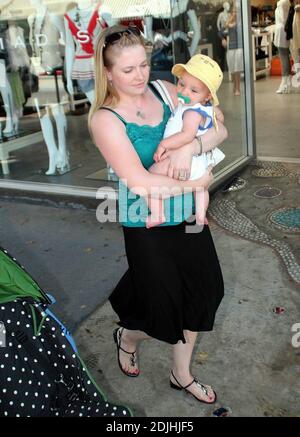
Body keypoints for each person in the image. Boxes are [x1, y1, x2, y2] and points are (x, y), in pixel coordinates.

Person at [89, 25, 227, 405]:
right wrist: (198, 181)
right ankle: (129, 336)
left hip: (187, 218)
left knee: (205, 293)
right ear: (108, 72)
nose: (140, 76)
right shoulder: (105, 120)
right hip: (145, 221)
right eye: (129, 69)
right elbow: (140, 182)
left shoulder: (166, 90)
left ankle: (181, 374)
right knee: (161, 310)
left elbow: (219, 125)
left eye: (145, 65)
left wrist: (190, 148)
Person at [145, 54, 225, 228]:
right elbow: (220, 117)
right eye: (181, 84)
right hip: (200, 162)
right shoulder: (204, 107)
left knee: (150, 176)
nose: (184, 92)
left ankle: (158, 214)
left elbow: (187, 135)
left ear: (207, 96)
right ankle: (201, 215)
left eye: (193, 90)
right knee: (201, 189)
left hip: (183, 160)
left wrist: (163, 145)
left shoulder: (191, 112)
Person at [224, 1, 244, 96]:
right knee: (232, 68)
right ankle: (234, 86)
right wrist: (231, 18)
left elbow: (239, 31)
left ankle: (238, 88)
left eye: (236, 11)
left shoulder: (241, 22)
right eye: (233, 11)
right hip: (231, 47)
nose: (234, 13)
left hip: (239, 47)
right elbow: (224, 27)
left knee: (237, 69)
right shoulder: (230, 20)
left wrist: (235, 21)